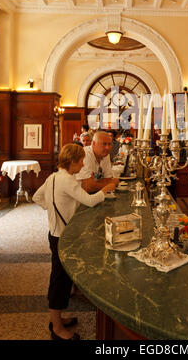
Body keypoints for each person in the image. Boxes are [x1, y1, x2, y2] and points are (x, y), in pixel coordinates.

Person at [32, 144, 115, 341]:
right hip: (63, 237)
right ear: (72, 162)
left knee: (62, 278)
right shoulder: (68, 181)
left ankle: (58, 319)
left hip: (54, 234)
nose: (83, 164)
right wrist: (107, 189)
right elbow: (90, 201)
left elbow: (37, 197)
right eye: (81, 161)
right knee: (59, 281)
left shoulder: (53, 177)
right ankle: (57, 328)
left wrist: (52, 209)